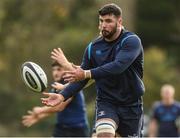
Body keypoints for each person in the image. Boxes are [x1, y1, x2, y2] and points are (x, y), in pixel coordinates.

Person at [41, 3, 145, 137]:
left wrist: (85, 73)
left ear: (119, 22)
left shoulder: (131, 41)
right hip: (107, 102)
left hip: (131, 104)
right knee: (104, 134)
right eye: (101, 21)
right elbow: (81, 79)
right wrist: (62, 95)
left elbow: (118, 66)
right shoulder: (93, 47)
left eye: (108, 21)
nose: (103, 25)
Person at [22, 61, 89, 137]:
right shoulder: (55, 86)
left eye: (59, 69)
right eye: (54, 70)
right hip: (61, 128)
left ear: (66, 71)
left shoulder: (71, 84)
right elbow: (52, 107)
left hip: (77, 129)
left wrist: (40, 110)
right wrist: (39, 117)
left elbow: (59, 107)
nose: (55, 73)